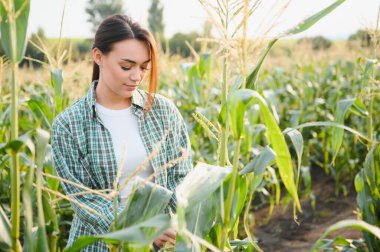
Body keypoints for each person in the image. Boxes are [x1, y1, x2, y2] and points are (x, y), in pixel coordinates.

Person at [51, 14, 193, 251]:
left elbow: (181, 175)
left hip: (162, 242)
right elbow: (85, 200)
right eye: (126, 66)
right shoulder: (69, 124)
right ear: (99, 57)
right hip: (98, 244)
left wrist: (187, 223)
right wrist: (141, 228)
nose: (136, 76)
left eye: (143, 67)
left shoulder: (162, 112)